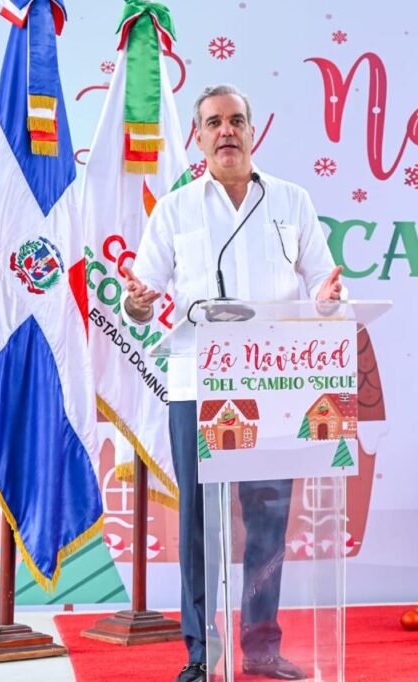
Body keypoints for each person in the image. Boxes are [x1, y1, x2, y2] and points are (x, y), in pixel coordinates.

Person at [124, 84, 342, 682]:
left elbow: (325, 282)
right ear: (197, 136)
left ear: (252, 132)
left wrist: (328, 297)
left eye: (237, 121)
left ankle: (263, 648)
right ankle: (202, 654)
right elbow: (139, 302)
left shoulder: (293, 201)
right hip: (199, 384)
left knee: (269, 519)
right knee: (201, 524)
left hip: (276, 384)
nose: (226, 130)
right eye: (214, 122)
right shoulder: (174, 210)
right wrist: (140, 303)